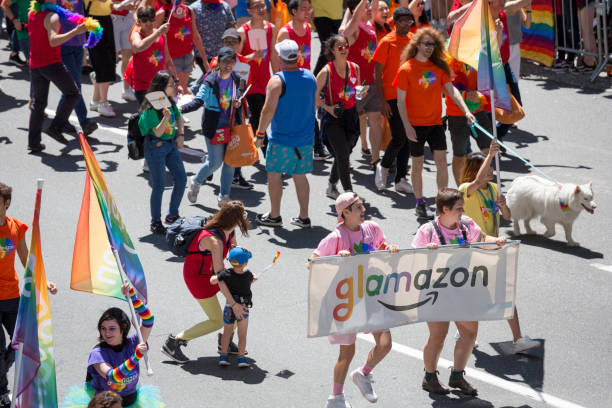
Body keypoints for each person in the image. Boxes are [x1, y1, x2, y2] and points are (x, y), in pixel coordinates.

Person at [411, 187, 506, 395]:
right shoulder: (427, 231)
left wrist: (496, 241)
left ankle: (457, 376)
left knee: (470, 333)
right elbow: (413, 259)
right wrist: (427, 253)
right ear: (445, 209)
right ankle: (430, 377)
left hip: (464, 289)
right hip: (436, 291)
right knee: (438, 336)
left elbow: (482, 239)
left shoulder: (467, 225)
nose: (462, 212)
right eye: (458, 208)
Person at [311, 192, 399, 408]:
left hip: (371, 296)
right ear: (345, 213)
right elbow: (312, 263)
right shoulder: (335, 238)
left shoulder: (372, 228)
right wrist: (335, 260)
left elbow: (382, 244)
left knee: (385, 344)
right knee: (347, 352)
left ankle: (362, 374)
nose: (363, 210)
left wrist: (389, 248)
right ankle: (335, 398)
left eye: (362, 206)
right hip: (346, 301)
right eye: (358, 207)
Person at [458, 143, 540, 353]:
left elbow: (506, 217)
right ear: (476, 171)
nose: (491, 172)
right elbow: (476, 181)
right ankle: (466, 332)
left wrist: (504, 206)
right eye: (487, 168)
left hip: (493, 247)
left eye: (492, 168)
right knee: (473, 294)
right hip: (473, 249)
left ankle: (518, 338)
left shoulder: (494, 188)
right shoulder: (466, 189)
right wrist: (490, 154)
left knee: (504, 292)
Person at [394, 27, 474, 219]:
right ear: (417, 45)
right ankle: (420, 202)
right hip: (415, 125)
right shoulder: (406, 69)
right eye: (426, 44)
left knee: (441, 163)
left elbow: (452, 90)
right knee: (418, 164)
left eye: (433, 44)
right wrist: (407, 127)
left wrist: (466, 110)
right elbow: (400, 102)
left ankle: (442, 201)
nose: (429, 48)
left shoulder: (438, 68)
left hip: (436, 123)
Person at [162, 201, 250, 364]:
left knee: (241, 299)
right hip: (198, 279)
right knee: (217, 320)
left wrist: (240, 261)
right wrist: (232, 302)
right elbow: (221, 275)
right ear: (235, 220)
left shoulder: (229, 231)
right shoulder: (213, 241)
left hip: (212, 274)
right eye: (242, 217)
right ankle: (174, 342)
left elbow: (232, 252)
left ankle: (225, 339)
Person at [0, 182, 58, 408]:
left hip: (14, 296)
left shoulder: (16, 228)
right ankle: (3, 392)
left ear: (6, 203)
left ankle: (2, 368)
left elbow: (26, 261)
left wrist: (44, 282)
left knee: (20, 343)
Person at [63, 280, 162, 407]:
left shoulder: (133, 343)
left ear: (124, 327)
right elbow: (113, 377)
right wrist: (135, 357)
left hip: (131, 402)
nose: (106, 333)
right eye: (103, 328)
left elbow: (148, 319)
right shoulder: (97, 354)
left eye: (112, 328)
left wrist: (132, 296)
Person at [255, 39, 316, 228]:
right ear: (297, 57)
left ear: (280, 58)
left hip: (281, 140)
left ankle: (274, 216)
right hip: (304, 140)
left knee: (274, 175)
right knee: (300, 176)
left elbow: (267, 110)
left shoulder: (276, 81)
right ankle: (304, 217)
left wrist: (260, 133)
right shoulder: (309, 76)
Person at [183, 47, 244, 208]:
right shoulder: (210, 81)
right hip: (214, 126)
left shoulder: (236, 78)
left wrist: (237, 101)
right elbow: (198, 101)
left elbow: (238, 94)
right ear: (219, 62)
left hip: (231, 126)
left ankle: (224, 196)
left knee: (230, 161)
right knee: (215, 162)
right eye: (225, 61)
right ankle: (196, 181)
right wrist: (180, 109)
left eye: (232, 61)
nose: (229, 65)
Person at [27, 0, 85, 152]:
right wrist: (76, 31)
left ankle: (33, 142)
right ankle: (56, 127)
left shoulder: (32, 12)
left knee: (39, 104)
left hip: (35, 63)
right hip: (51, 63)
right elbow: (53, 41)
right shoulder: (52, 16)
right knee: (73, 94)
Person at [277, 0, 329, 161]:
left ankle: (317, 148)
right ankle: (282, 150)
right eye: (303, 9)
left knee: (309, 113)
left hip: (305, 79)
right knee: (291, 116)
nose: (308, 12)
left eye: (309, 9)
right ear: (293, 11)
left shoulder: (307, 28)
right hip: (290, 81)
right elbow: (279, 61)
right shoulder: (285, 33)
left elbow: (307, 59)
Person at [372, 6, 414, 193]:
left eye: (409, 20)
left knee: (408, 138)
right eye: (403, 20)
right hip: (392, 97)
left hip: (411, 97)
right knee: (399, 137)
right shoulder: (387, 42)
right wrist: (382, 101)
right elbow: (377, 74)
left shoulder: (414, 41)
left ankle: (401, 179)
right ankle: (384, 165)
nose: (406, 24)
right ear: (395, 22)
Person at [138, 72, 186, 235]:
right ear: (162, 88)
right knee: (159, 186)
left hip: (171, 145)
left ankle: (172, 215)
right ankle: (155, 221)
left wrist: (180, 134)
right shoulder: (151, 109)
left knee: (181, 178)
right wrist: (165, 118)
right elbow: (157, 132)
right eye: (171, 85)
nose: (175, 87)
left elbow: (179, 118)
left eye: (175, 83)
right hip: (155, 148)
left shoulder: (170, 102)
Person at [315, 34, 360, 199]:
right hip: (332, 117)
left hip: (350, 116)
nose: (344, 50)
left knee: (345, 152)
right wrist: (328, 108)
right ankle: (349, 193)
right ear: (332, 50)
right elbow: (314, 96)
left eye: (346, 46)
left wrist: (362, 93)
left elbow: (357, 93)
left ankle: (332, 186)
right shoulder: (326, 71)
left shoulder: (355, 68)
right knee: (342, 154)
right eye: (339, 47)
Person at [237, 0, 280, 161]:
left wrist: (279, 77)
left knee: (267, 115)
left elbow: (274, 57)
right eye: (257, 7)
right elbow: (235, 60)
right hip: (249, 83)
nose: (262, 9)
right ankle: (268, 155)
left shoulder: (271, 28)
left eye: (263, 5)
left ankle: (255, 143)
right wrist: (251, 57)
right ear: (249, 10)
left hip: (266, 81)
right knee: (257, 116)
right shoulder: (242, 31)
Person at [343, 0, 383, 168]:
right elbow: (347, 28)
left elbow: (374, 7)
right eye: (365, 7)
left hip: (372, 83)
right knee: (353, 124)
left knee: (375, 121)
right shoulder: (353, 29)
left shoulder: (369, 25)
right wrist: (359, 6)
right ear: (355, 11)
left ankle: (375, 159)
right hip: (356, 86)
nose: (369, 10)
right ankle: (344, 157)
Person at [446, 52, 493, 186]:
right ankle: (461, 189)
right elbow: (447, 88)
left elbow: (488, 78)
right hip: (457, 114)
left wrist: (481, 95)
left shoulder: (478, 56)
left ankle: (482, 183)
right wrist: (466, 94)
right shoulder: (449, 60)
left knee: (488, 149)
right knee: (459, 154)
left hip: (478, 110)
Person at [58, 0, 98, 137]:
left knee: (71, 86)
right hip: (64, 45)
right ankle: (83, 120)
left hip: (79, 44)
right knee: (74, 85)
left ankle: (60, 121)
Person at [211, 246, 256, 367]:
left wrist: (218, 276)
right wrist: (253, 278)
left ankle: (223, 356)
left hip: (229, 308)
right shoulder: (248, 275)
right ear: (245, 262)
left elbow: (213, 280)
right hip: (243, 309)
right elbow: (250, 278)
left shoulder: (227, 273)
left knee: (227, 333)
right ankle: (241, 358)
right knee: (242, 334)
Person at [127, 6, 179, 105]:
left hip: (160, 85)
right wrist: (158, 32)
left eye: (151, 19)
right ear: (138, 22)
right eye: (145, 20)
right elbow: (139, 47)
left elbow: (167, 60)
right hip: (142, 86)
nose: (149, 23)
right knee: (151, 116)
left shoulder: (162, 35)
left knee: (162, 115)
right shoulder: (136, 35)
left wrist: (175, 80)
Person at [154, 0, 207, 94]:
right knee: (177, 89)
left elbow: (195, 35)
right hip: (171, 58)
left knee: (182, 88)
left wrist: (204, 59)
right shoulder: (163, 13)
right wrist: (159, 32)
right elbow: (151, 36)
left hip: (188, 56)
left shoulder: (189, 11)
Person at [85, 0, 118, 117]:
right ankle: (103, 103)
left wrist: (118, 6)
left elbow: (107, 2)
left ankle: (95, 101)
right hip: (93, 21)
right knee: (104, 62)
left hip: (106, 20)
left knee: (109, 60)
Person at [190, 0, 235, 74]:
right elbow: (190, 33)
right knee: (213, 79)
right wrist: (191, 54)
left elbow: (231, 27)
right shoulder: (194, 8)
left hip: (223, 54)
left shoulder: (224, 6)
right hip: (203, 56)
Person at [112, 0, 138, 102]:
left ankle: (126, 89)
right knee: (112, 57)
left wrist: (133, 6)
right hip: (112, 19)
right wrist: (123, 6)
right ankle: (97, 77)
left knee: (127, 55)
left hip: (128, 19)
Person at [311, 0, 343, 75]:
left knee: (336, 49)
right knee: (327, 48)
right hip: (320, 13)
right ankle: (316, 80)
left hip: (337, 13)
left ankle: (328, 79)